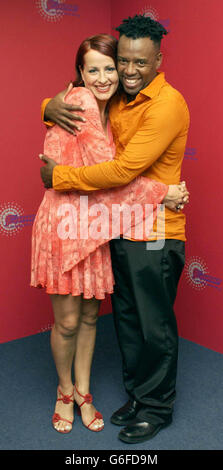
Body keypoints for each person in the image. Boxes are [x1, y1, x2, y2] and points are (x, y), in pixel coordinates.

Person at [40, 16, 190, 443]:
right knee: (127, 320)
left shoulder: (165, 104)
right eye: (120, 60)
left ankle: (156, 408)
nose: (126, 70)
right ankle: (139, 396)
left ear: (158, 60)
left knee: (153, 325)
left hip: (155, 231)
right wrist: (47, 105)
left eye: (137, 62)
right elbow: (78, 105)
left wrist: (61, 177)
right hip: (117, 225)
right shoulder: (122, 99)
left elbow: (122, 170)